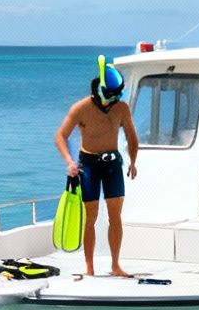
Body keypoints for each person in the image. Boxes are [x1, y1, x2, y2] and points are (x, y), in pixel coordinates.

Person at [52, 56, 139, 277]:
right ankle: (89, 267)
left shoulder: (121, 108)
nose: (115, 99)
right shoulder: (80, 108)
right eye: (111, 95)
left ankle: (115, 265)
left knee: (115, 215)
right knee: (90, 216)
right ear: (98, 91)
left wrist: (133, 161)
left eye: (118, 94)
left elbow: (132, 138)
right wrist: (70, 162)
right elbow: (61, 136)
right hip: (88, 165)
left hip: (112, 164)